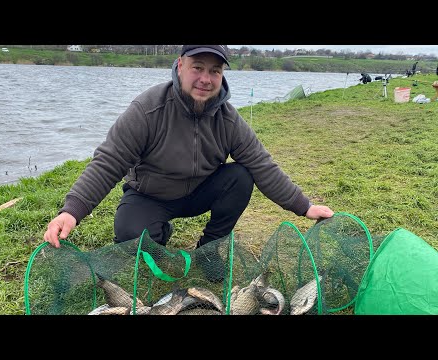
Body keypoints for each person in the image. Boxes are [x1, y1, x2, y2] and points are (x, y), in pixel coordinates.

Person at [43, 45, 334, 281]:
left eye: (214, 71)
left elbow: (262, 164)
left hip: (199, 193)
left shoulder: (229, 120)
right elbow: (108, 161)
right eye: (198, 68)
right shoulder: (148, 109)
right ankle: (160, 231)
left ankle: (209, 249)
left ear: (222, 75)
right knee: (130, 235)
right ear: (180, 66)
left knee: (242, 175)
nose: (205, 79)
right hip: (150, 196)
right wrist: (72, 211)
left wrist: (303, 206)